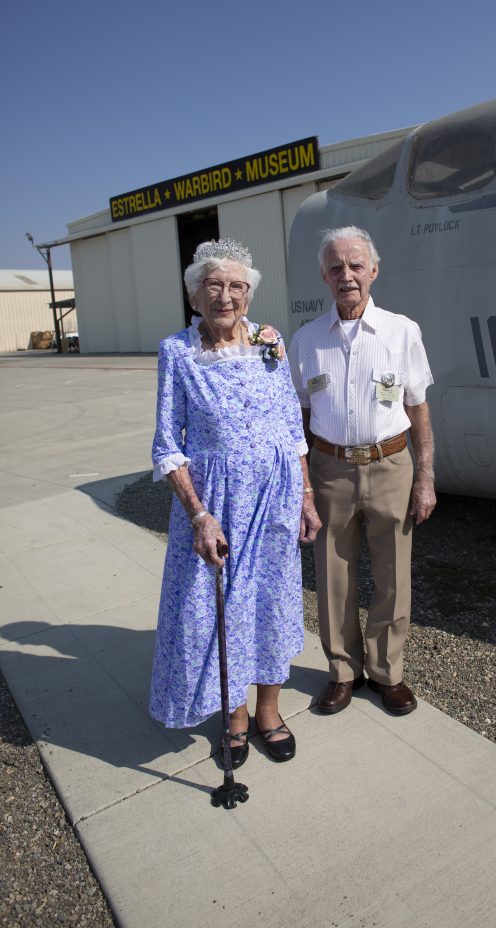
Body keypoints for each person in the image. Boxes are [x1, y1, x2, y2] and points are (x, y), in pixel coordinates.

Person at [150, 238, 321, 766]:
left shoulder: (271, 341)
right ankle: (235, 715)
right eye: (214, 285)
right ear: (194, 294)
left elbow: (292, 426)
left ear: (249, 293)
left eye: (237, 286)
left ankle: (269, 711)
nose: (226, 296)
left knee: (271, 603)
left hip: (276, 497)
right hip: (217, 504)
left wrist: (307, 497)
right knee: (218, 612)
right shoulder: (177, 351)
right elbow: (167, 444)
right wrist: (198, 514)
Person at [288, 226, 436, 716]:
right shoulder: (307, 339)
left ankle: (387, 673)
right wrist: (303, 484)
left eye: (355, 266)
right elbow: (299, 418)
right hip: (330, 466)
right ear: (324, 277)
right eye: (336, 268)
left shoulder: (401, 330)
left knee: (394, 573)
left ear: (374, 270)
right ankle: (343, 672)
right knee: (333, 574)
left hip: (391, 463)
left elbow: (417, 407)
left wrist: (425, 477)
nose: (346, 276)